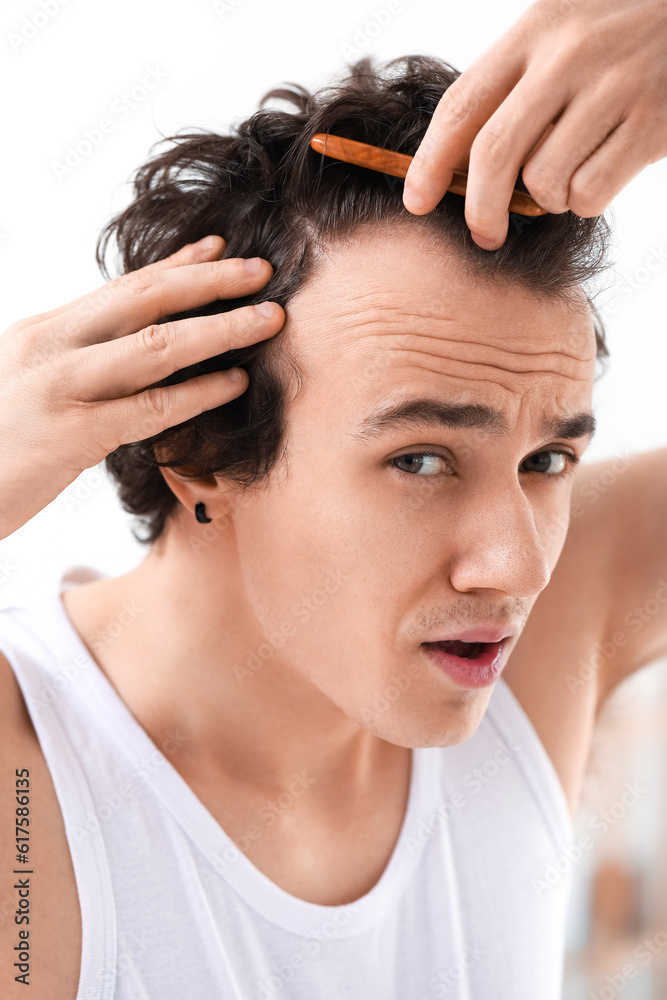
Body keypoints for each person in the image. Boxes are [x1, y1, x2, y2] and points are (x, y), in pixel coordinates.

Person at [0, 1, 665, 998]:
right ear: (194, 448)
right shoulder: (29, 773)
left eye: (545, 462)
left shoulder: (557, 627)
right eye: (422, 460)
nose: (520, 565)